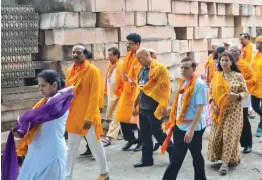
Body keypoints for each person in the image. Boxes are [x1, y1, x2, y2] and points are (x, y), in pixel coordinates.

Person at [2, 70, 74, 180]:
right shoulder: (45, 102)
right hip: (36, 151)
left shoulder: (59, 102)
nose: (40, 89)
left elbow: (31, 117)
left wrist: (22, 120)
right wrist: (21, 131)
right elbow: (34, 122)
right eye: (39, 86)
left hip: (51, 152)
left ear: (54, 85)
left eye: (43, 85)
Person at [65, 44, 109, 180]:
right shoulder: (69, 71)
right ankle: (67, 176)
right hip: (74, 116)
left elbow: (94, 97)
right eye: (73, 52)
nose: (75, 55)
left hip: (88, 117)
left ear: (85, 55)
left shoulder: (93, 71)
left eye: (78, 52)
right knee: (71, 148)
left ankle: (104, 172)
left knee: (95, 146)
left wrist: (88, 118)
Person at [162, 57, 207, 180]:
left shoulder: (199, 85)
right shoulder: (183, 82)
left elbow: (199, 109)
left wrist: (191, 130)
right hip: (180, 126)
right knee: (177, 157)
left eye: (186, 68)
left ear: (193, 69)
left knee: (196, 155)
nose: (182, 70)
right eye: (181, 67)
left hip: (194, 128)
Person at [131, 48, 174, 168]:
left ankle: (173, 151)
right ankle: (146, 159)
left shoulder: (160, 68)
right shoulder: (141, 70)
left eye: (140, 58)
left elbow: (165, 89)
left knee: (158, 133)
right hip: (143, 107)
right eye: (137, 58)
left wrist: (163, 105)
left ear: (147, 55)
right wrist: (134, 105)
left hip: (154, 107)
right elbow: (139, 89)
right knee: (144, 135)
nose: (138, 60)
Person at [208, 52, 248, 175]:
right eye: (222, 60)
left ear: (231, 62)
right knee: (217, 136)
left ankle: (225, 163)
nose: (224, 62)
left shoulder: (238, 76)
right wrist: (213, 105)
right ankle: (224, 158)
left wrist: (236, 96)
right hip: (218, 112)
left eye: (226, 60)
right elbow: (210, 92)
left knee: (229, 136)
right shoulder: (216, 75)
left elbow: (246, 93)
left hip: (233, 112)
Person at [114, 33, 142, 151]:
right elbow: (124, 71)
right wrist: (125, 77)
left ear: (137, 44)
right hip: (127, 90)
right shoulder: (128, 55)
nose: (128, 46)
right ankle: (130, 139)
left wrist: (132, 80)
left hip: (137, 91)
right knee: (121, 116)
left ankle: (142, 141)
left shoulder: (141, 56)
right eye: (127, 44)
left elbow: (142, 76)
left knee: (138, 118)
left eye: (131, 44)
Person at [78, 47, 105, 158]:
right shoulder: (79, 71)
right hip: (83, 105)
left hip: (93, 105)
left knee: (94, 131)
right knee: (86, 131)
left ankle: (96, 152)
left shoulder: (94, 71)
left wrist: (99, 105)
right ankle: (90, 149)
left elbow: (97, 91)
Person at [229, 45, 256, 153]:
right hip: (230, 95)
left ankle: (247, 144)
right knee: (232, 120)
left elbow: (253, 80)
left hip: (243, 95)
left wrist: (241, 83)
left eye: (234, 54)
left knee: (244, 119)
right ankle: (234, 144)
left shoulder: (245, 65)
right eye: (231, 54)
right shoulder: (228, 64)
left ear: (239, 54)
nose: (233, 56)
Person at [102, 47, 123, 147]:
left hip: (119, 95)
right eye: (108, 54)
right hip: (111, 95)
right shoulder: (110, 65)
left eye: (110, 55)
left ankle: (109, 137)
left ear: (116, 55)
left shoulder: (121, 65)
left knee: (116, 115)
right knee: (114, 115)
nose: (108, 57)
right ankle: (125, 134)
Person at [251, 36, 262, 137]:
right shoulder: (256, 54)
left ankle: (260, 126)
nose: (256, 44)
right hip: (254, 86)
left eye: (258, 42)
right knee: (254, 106)